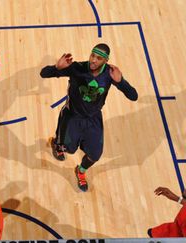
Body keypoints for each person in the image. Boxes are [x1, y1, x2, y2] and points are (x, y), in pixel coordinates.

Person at [40, 43, 138, 192]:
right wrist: (56, 68)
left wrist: (121, 82)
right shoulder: (77, 68)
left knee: (95, 154)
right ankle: (56, 143)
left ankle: (80, 171)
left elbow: (133, 96)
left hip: (93, 119)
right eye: (92, 55)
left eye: (98, 58)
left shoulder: (110, 75)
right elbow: (43, 73)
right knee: (68, 149)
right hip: (72, 116)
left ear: (106, 60)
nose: (93, 60)